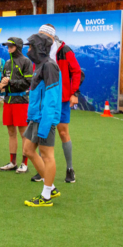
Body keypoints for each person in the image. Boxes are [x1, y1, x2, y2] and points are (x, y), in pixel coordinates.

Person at [36, 25, 81, 184]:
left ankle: (70, 168)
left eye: (42, 35)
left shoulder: (64, 50)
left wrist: (74, 93)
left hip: (60, 99)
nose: (40, 37)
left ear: (51, 36)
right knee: (42, 131)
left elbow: (76, 71)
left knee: (62, 133)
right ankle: (42, 168)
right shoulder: (39, 51)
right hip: (44, 98)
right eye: (39, 34)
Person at [22, 33, 62, 207]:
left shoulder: (49, 66)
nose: (28, 49)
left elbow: (52, 98)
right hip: (36, 117)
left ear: (39, 48)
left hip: (45, 118)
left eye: (30, 46)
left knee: (47, 155)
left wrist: (46, 124)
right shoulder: (39, 65)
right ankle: (51, 187)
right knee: (28, 150)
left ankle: (46, 196)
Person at [0, 37, 33, 173]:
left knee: (24, 133)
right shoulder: (6, 63)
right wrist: (1, 85)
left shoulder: (26, 61)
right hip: (8, 101)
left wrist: (10, 82)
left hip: (21, 102)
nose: (8, 48)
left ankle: (24, 163)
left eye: (11, 46)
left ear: (18, 46)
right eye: (7, 46)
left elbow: (28, 82)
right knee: (11, 132)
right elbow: (4, 80)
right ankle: (13, 162)